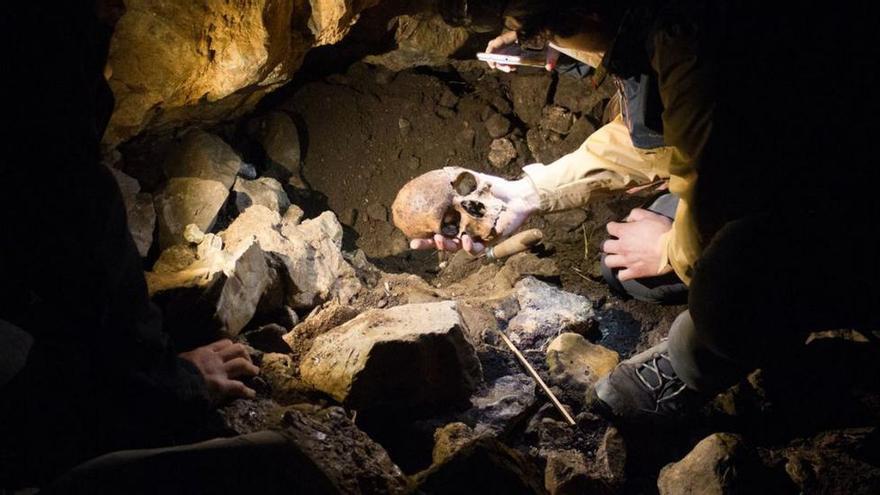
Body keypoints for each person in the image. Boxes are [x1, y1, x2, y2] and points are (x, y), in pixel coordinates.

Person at [409, 0, 879, 423]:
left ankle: (694, 361)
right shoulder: (648, 22)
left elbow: (709, 163)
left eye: (537, 31)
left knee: (724, 293)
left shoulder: (690, 39)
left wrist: (672, 251)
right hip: (773, 159)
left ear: (585, 12)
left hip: (844, 201)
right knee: (629, 270)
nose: (541, 45)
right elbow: (665, 136)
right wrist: (530, 191)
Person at [0, 3, 307, 491]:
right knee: (284, 462)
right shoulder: (59, 179)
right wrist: (184, 381)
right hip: (23, 446)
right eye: (106, 24)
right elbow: (132, 379)